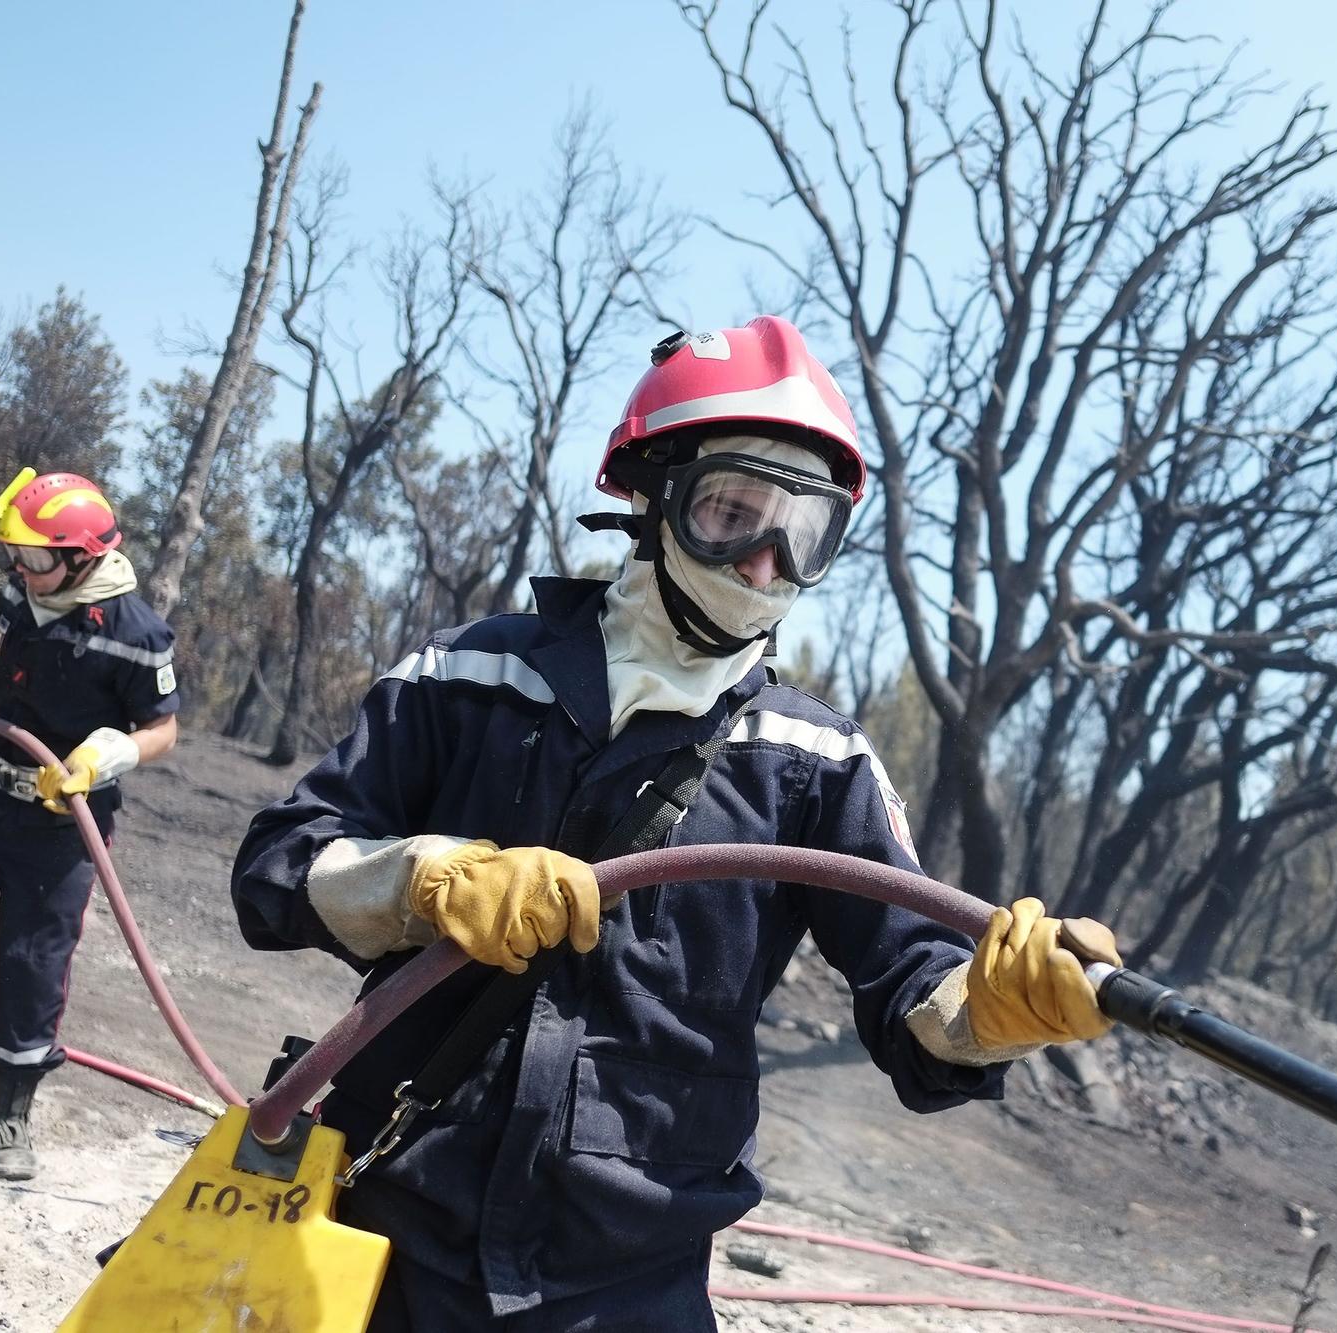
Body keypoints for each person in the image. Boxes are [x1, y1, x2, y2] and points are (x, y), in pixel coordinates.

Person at [232, 316, 1123, 1331]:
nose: (760, 564)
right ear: (652, 497)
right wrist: (426, 879)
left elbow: (915, 1002)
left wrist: (989, 1014)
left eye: (802, 535)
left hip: (627, 1279)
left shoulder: (816, 765)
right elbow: (276, 869)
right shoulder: (469, 679)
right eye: (733, 512)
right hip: (384, 1230)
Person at [0, 469, 181, 1180]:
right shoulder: (19, 593)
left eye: (38, 558)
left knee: (31, 966)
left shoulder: (138, 634)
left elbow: (164, 728)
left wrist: (115, 751)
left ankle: (8, 1113)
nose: (22, 569)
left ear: (82, 557)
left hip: (60, 820)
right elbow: (0, 651)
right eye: (19, 556)